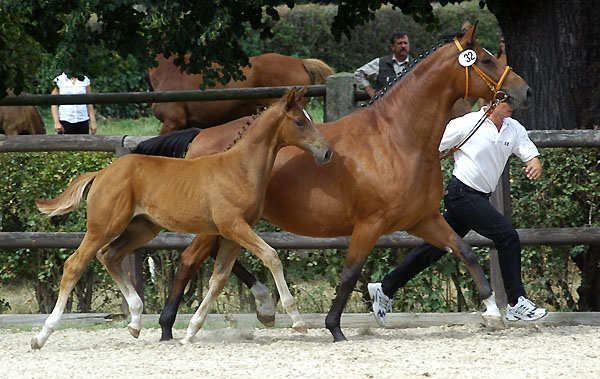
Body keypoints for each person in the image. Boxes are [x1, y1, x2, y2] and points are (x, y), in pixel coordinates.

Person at [368, 100, 548, 326]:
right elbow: (429, 145)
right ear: (491, 101)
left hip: (479, 198)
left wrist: (535, 166)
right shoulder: (467, 124)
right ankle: (515, 302)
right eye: (506, 100)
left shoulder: (514, 128)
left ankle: (385, 288)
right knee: (507, 235)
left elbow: (531, 155)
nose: (512, 105)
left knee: (434, 248)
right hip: (461, 194)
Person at [353, 31, 412, 99]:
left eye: (405, 43)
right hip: (385, 107)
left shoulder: (416, 65)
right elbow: (359, 73)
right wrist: (370, 91)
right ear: (392, 47)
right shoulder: (380, 63)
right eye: (399, 43)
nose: (403, 46)